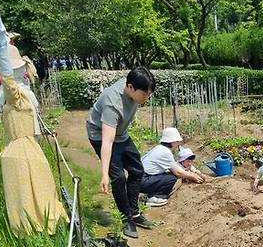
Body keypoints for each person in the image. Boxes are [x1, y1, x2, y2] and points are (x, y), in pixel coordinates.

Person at [0, 10, 65, 235]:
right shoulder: (22, 95)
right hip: (21, 148)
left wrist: (1, 43)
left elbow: (7, 79)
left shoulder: (16, 94)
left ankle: (34, 231)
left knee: (28, 194)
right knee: (31, 191)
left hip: (21, 150)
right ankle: (38, 232)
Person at [86, 66, 156, 238]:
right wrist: (104, 174)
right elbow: (107, 142)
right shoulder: (113, 103)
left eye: (150, 93)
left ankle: (134, 213)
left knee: (137, 170)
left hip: (120, 133)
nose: (147, 97)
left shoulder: (134, 86)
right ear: (130, 87)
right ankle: (127, 219)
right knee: (118, 177)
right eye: (145, 94)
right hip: (101, 136)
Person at [140, 127, 205, 207]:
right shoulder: (165, 152)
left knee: (167, 174)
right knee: (171, 178)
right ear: (172, 141)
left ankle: (150, 194)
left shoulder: (159, 148)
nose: (178, 143)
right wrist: (192, 175)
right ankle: (156, 198)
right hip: (142, 180)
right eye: (177, 141)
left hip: (138, 178)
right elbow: (178, 172)